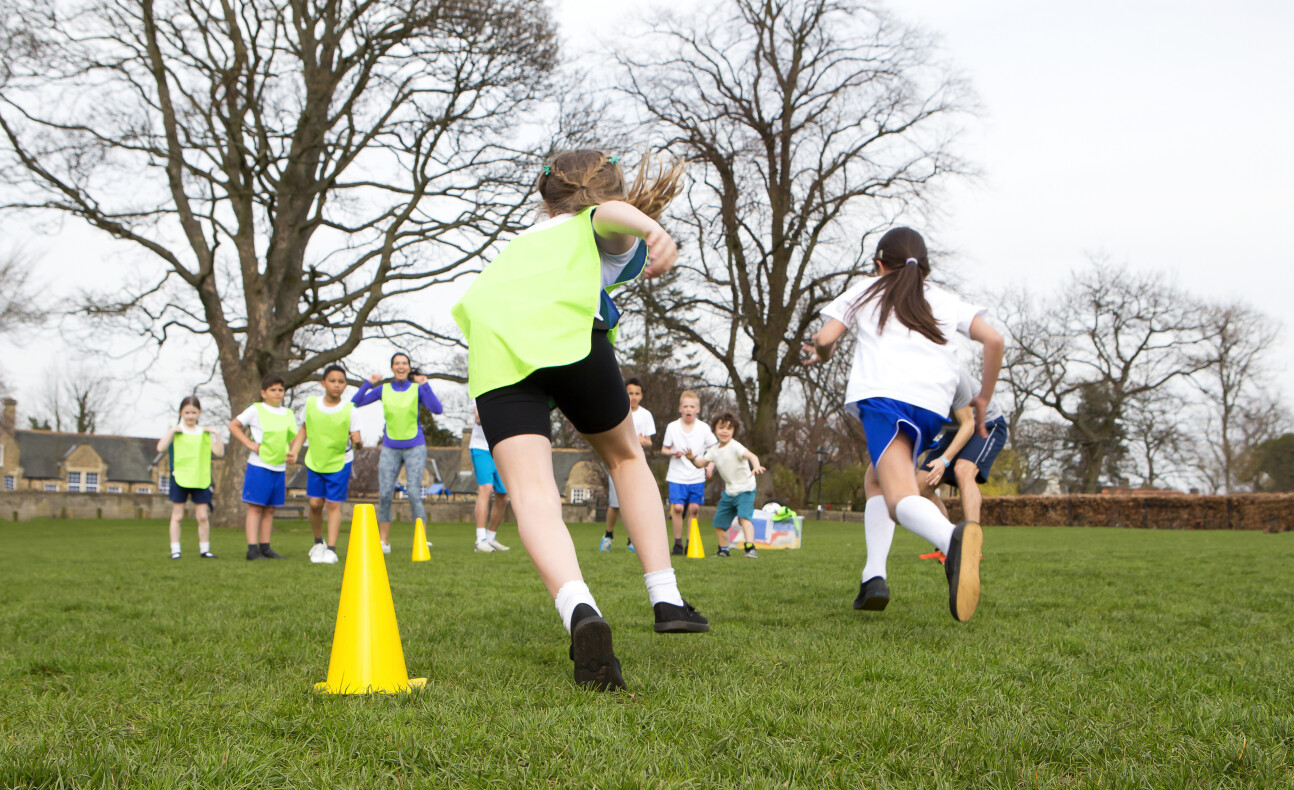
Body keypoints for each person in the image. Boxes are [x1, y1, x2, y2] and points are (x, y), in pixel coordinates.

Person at [452, 149, 710, 691]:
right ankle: (665, 597)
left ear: (543, 197)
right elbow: (605, 219)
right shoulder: (590, 226)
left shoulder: (518, 245)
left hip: (496, 355)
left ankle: (580, 610)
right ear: (609, 193)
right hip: (570, 340)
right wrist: (651, 228)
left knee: (531, 494)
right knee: (624, 456)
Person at [803, 226, 1004, 622]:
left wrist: (821, 354)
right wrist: (983, 394)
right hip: (931, 408)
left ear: (880, 264)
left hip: (885, 402)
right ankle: (872, 577)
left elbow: (826, 339)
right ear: (923, 268)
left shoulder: (867, 289)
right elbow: (994, 341)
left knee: (898, 501)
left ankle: (953, 542)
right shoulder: (945, 300)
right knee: (875, 478)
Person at [351, 352, 444, 553]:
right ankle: (384, 541)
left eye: (404, 363)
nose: (401, 366)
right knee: (385, 493)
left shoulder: (417, 390)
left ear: (409, 368)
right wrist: (369, 383)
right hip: (390, 448)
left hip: (415, 447)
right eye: (397, 363)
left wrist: (425, 384)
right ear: (392, 368)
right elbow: (354, 403)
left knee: (413, 491)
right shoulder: (383, 390)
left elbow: (437, 410)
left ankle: (421, 538)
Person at [287, 365, 363, 565]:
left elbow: (358, 443)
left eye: (341, 381)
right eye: (332, 381)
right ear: (323, 383)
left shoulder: (350, 410)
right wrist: (294, 452)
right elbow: (304, 429)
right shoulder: (311, 405)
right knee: (314, 504)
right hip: (316, 461)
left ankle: (331, 548)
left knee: (332, 504)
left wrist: (358, 440)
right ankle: (318, 543)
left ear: (345, 385)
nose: (337, 385)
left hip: (340, 461)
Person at [920, 367, 1008, 525]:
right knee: (920, 487)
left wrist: (944, 460)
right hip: (954, 431)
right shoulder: (911, 385)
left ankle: (972, 546)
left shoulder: (953, 378)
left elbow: (968, 425)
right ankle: (947, 541)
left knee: (963, 470)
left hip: (986, 424)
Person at [228, 375, 299, 561]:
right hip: (259, 465)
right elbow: (233, 426)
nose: (277, 393)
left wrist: (293, 453)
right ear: (263, 393)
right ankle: (252, 549)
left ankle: (265, 547)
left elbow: (293, 438)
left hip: (279, 466)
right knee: (256, 507)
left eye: (280, 390)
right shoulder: (255, 409)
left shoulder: (288, 413)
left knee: (270, 509)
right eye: (273, 390)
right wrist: (250, 444)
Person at [682, 412, 764, 558]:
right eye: (721, 428)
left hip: (746, 489)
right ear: (715, 430)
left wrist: (756, 466)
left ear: (734, 431)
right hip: (729, 492)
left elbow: (752, 456)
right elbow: (700, 464)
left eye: (729, 428)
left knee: (744, 518)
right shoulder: (713, 451)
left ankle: (750, 548)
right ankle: (723, 550)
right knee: (719, 523)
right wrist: (691, 458)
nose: (724, 431)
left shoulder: (735, 447)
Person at [157, 396, 225, 559]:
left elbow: (219, 452)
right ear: (181, 412)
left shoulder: (204, 434)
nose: (190, 416)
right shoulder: (176, 431)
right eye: (187, 412)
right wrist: (171, 431)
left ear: (199, 413)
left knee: (202, 516)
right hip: (180, 476)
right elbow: (160, 448)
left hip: (200, 478)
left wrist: (216, 434)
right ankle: (175, 550)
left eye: (194, 412)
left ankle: (205, 550)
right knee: (178, 515)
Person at [601, 377, 655, 552]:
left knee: (635, 502)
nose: (633, 397)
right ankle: (608, 535)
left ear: (641, 396)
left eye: (637, 393)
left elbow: (649, 442)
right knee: (615, 504)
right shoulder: (617, 411)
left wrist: (641, 441)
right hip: (617, 462)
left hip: (637, 464)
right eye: (630, 393)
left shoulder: (646, 415)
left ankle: (633, 540)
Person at [661, 390, 716, 555]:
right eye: (685, 406)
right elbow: (664, 449)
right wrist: (673, 453)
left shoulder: (704, 428)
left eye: (692, 406)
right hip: (677, 475)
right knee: (677, 508)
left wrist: (710, 467)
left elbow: (714, 449)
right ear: (680, 408)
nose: (688, 409)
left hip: (696, 475)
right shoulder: (672, 427)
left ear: (698, 409)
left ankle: (691, 542)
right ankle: (677, 544)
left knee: (693, 509)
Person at [468, 405, 511, 553]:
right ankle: (480, 539)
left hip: (500, 448)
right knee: (486, 488)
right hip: (481, 448)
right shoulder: (482, 390)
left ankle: (490, 538)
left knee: (503, 495)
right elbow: (479, 419)